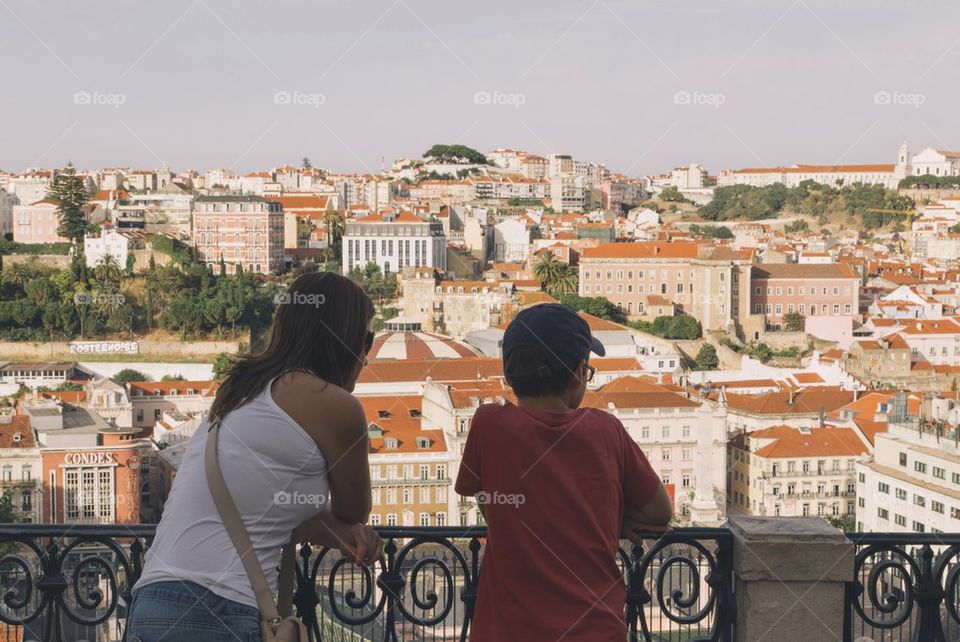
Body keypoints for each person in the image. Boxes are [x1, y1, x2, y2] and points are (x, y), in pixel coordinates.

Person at [128, 272, 384, 642]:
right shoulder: (336, 406)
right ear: (344, 339)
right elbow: (353, 513)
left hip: (151, 601)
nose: (367, 353)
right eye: (366, 339)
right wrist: (351, 533)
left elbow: (269, 509)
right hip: (218, 610)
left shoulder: (239, 389)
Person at [455, 303, 673, 642]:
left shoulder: (488, 425)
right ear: (576, 374)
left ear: (510, 374)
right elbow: (660, 511)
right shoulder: (605, 429)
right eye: (587, 370)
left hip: (507, 630)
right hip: (595, 627)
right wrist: (608, 518)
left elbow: (491, 506)